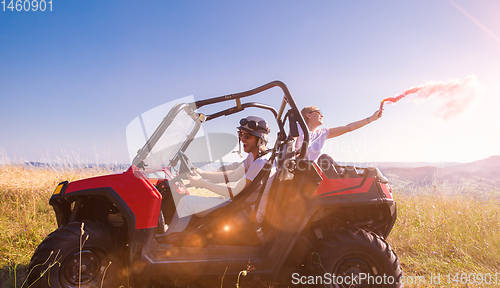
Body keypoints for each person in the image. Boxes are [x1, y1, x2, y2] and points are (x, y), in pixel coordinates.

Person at [164, 116, 276, 235]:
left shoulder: (261, 162)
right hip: (242, 206)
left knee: (186, 202)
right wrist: (203, 174)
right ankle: (178, 236)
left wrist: (202, 183)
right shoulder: (254, 156)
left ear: (260, 139)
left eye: (247, 136)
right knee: (192, 202)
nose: (242, 139)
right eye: (240, 134)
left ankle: (169, 240)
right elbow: (233, 175)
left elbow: (233, 192)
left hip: (246, 213)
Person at [295, 106, 383, 169]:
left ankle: (344, 184)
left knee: (325, 158)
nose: (322, 115)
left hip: (315, 172)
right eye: (319, 112)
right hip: (301, 170)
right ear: (308, 115)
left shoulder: (322, 133)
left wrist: (371, 118)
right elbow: (291, 144)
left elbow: (349, 127)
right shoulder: (298, 127)